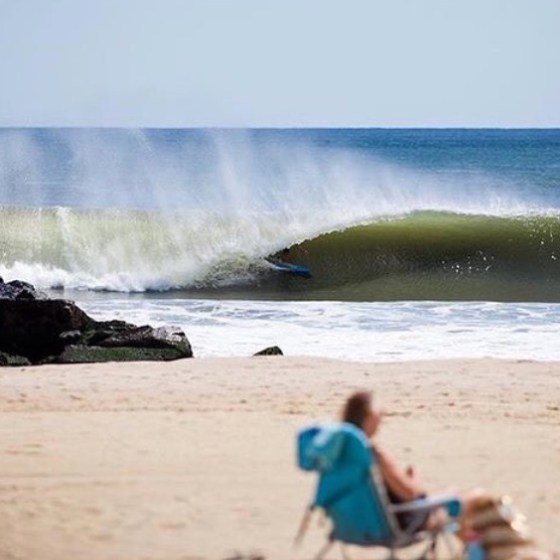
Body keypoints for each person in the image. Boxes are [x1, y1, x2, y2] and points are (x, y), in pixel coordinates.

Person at [342, 390, 447, 533]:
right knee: (465, 503)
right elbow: (410, 493)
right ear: (369, 418)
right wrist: (413, 480)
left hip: (350, 523)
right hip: (398, 523)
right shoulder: (373, 454)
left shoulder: (339, 454)